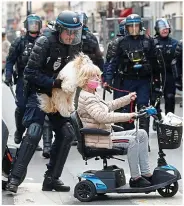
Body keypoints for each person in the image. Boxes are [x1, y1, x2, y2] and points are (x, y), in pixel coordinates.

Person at [6, 10, 82, 193]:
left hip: (58, 96)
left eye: (74, 32)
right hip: (37, 93)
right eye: (68, 32)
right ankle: (14, 178)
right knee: (34, 132)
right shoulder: (44, 42)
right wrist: (53, 82)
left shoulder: (75, 46)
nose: (71, 36)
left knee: (67, 133)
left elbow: (75, 70)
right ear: (59, 29)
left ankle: (51, 179)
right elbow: (30, 73)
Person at [77, 62, 152, 188]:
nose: (97, 78)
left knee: (142, 134)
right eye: (93, 77)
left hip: (104, 134)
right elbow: (103, 117)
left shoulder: (92, 94)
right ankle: (136, 178)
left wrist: (127, 98)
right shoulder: (87, 98)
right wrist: (129, 115)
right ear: (84, 80)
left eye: (97, 75)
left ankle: (146, 173)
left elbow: (108, 106)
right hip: (98, 139)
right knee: (132, 140)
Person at [104, 14, 159, 151]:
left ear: (140, 26)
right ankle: (126, 142)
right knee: (126, 111)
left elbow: (155, 62)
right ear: (126, 28)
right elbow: (113, 62)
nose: (134, 29)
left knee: (143, 110)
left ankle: (143, 142)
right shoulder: (121, 43)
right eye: (131, 26)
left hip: (143, 81)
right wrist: (108, 79)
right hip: (126, 80)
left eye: (136, 26)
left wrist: (157, 79)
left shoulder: (148, 41)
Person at [4, 14, 42, 152]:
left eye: (36, 24)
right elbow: (10, 60)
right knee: (21, 107)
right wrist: (8, 74)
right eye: (31, 24)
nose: (34, 26)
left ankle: (32, 138)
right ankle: (19, 131)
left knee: (36, 110)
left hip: (38, 81)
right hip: (22, 80)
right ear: (27, 25)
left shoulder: (43, 41)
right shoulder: (19, 42)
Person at [152, 18, 179, 130]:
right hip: (155, 74)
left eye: (166, 28)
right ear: (158, 30)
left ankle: (169, 120)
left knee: (170, 97)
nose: (165, 31)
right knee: (155, 98)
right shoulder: (152, 42)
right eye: (162, 29)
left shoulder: (174, 43)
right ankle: (157, 118)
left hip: (169, 74)